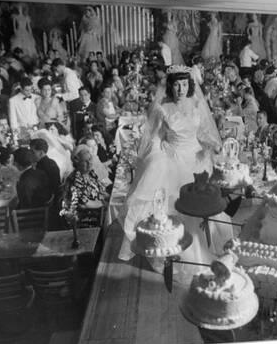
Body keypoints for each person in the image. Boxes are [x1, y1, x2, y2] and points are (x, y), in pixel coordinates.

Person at [119, 66, 229, 283]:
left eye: (185, 84)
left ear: (190, 86)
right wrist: (160, 152)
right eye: (177, 84)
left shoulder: (197, 105)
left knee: (201, 206)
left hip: (196, 159)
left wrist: (209, 146)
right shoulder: (163, 108)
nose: (181, 88)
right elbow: (155, 138)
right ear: (170, 86)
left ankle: (206, 248)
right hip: (173, 159)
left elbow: (202, 132)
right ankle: (178, 255)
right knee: (176, 207)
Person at [62, 145, 109, 218]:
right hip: (84, 217)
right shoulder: (75, 178)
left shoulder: (91, 174)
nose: (89, 163)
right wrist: (103, 203)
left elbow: (101, 191)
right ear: (77, 162)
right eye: (85, 161)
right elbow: (85, 203)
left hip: (98, 211)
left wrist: (109, 198)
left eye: (90, 159)